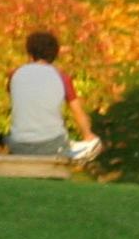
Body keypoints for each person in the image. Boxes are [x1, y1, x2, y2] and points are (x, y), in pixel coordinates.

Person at [5, 29, 100, 162]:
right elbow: (78, 112)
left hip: (18, 145)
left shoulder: (14, 75)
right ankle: (72, 151)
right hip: (52, 145)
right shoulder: (62, 77)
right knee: (92, 143)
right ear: (54, 54)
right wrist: (88, 135)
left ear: (30, 52)